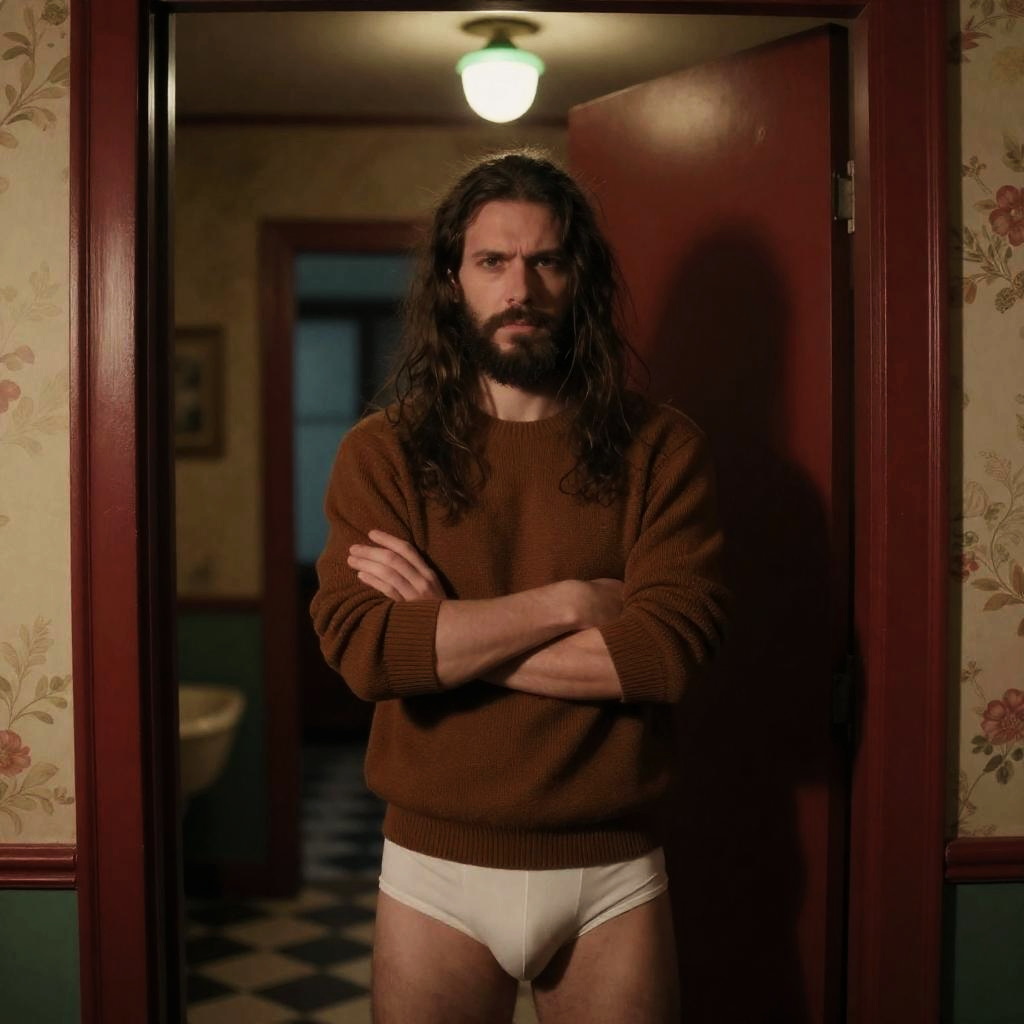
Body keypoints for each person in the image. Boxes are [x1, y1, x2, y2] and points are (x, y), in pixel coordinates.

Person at [310, 150, 729, 1024]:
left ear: (581, 279)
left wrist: (442, 633)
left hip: (612, 867)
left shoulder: (663, 449)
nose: (520, 289)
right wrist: (566, 605)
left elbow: (663, 657)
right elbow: (367, 652)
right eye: (493, 261)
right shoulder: (383, 453)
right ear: (452, 280)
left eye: (547, 261)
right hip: (433, 870)